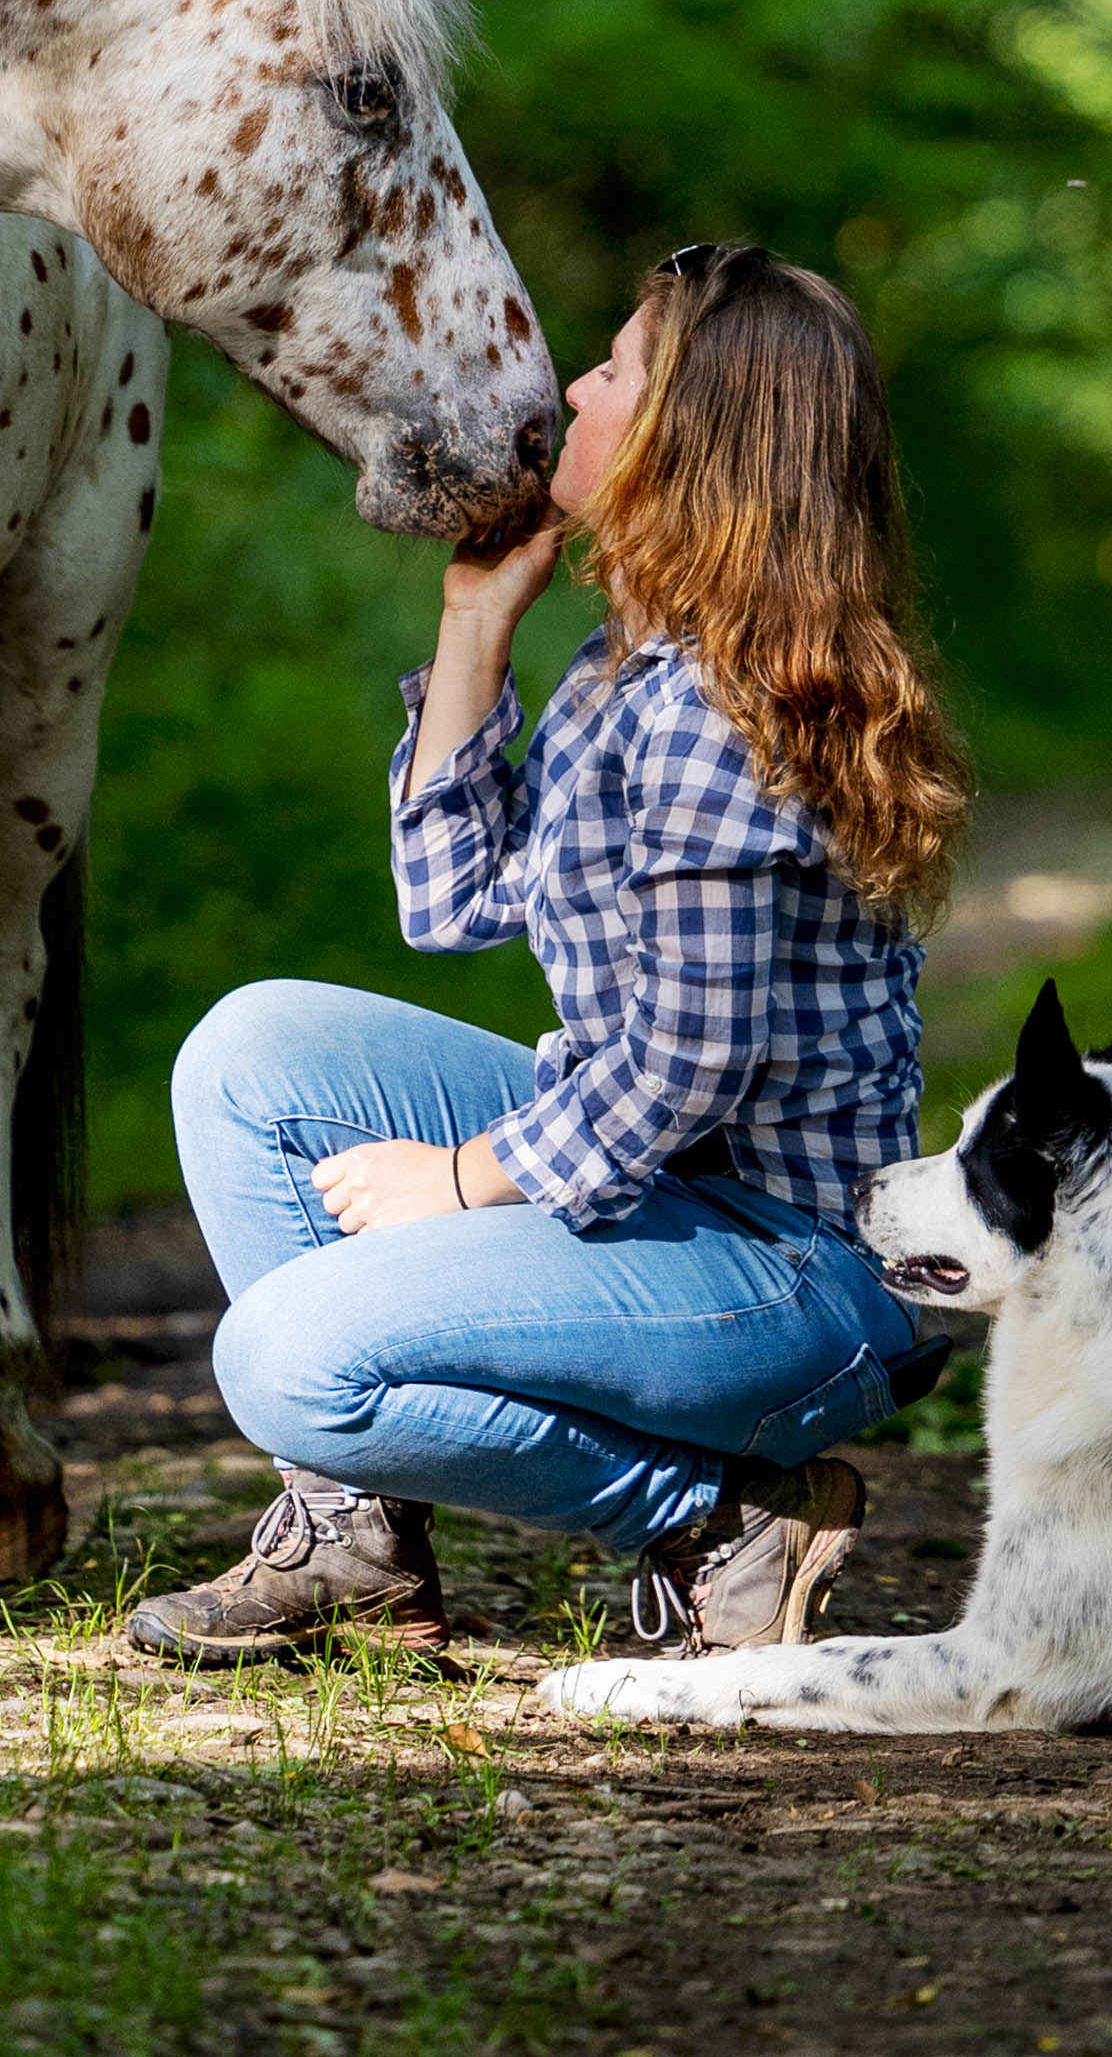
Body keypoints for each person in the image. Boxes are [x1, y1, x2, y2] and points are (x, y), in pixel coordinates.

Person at [135, 243, 970, 1667]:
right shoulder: (626, 666)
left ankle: (717, 1520)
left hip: (791, 1264)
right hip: (668, 1193)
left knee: (286, 1358)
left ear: (689, 439)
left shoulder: (716, 709)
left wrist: (463, 1179)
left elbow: (691, 1060)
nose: (569, 390)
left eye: (611, 369)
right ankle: (354, 1539)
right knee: (251, 1056)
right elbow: (451, 899)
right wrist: (474, 623)